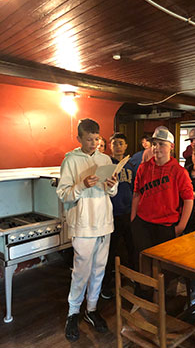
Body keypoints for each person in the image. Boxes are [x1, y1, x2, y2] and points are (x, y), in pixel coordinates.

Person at [56, 118, 118, 342]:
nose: (94, 143)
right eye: (89, 139)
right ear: (79, 138)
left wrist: (113, 185)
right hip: (83, 223)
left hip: (104, 221)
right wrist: (82, 185)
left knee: (99, 269)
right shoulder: (70, 160)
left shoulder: (105, 159)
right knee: (81, 271)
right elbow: (63, 194)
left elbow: (112, 192)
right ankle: (73, 313)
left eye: (97, 139)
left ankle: (91, 309)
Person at [131, 126, 194, 272]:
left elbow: (188, 200)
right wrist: (133, 219)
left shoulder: (179, 171)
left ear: (171, 147)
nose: (156, 148)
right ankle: (142, 291)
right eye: (154, 144)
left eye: (161, 144)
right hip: (143, 224)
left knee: (163, 268)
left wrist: (181, 227)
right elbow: (137, 193)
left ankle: (160, 294)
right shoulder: (143, 168)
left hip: (165, 226)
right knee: (142, 263)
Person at [101, 132, 135, 299]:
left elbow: (135, 190)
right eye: (114, 144)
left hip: (128, 213)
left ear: (126, 146)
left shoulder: (130, 165)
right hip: (112, 215)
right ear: (110, 146)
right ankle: (105, 285)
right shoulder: (107, 164)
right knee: (109, 251)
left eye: (121, 143)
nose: (118, 146)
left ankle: (134, 279)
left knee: (131, 249)